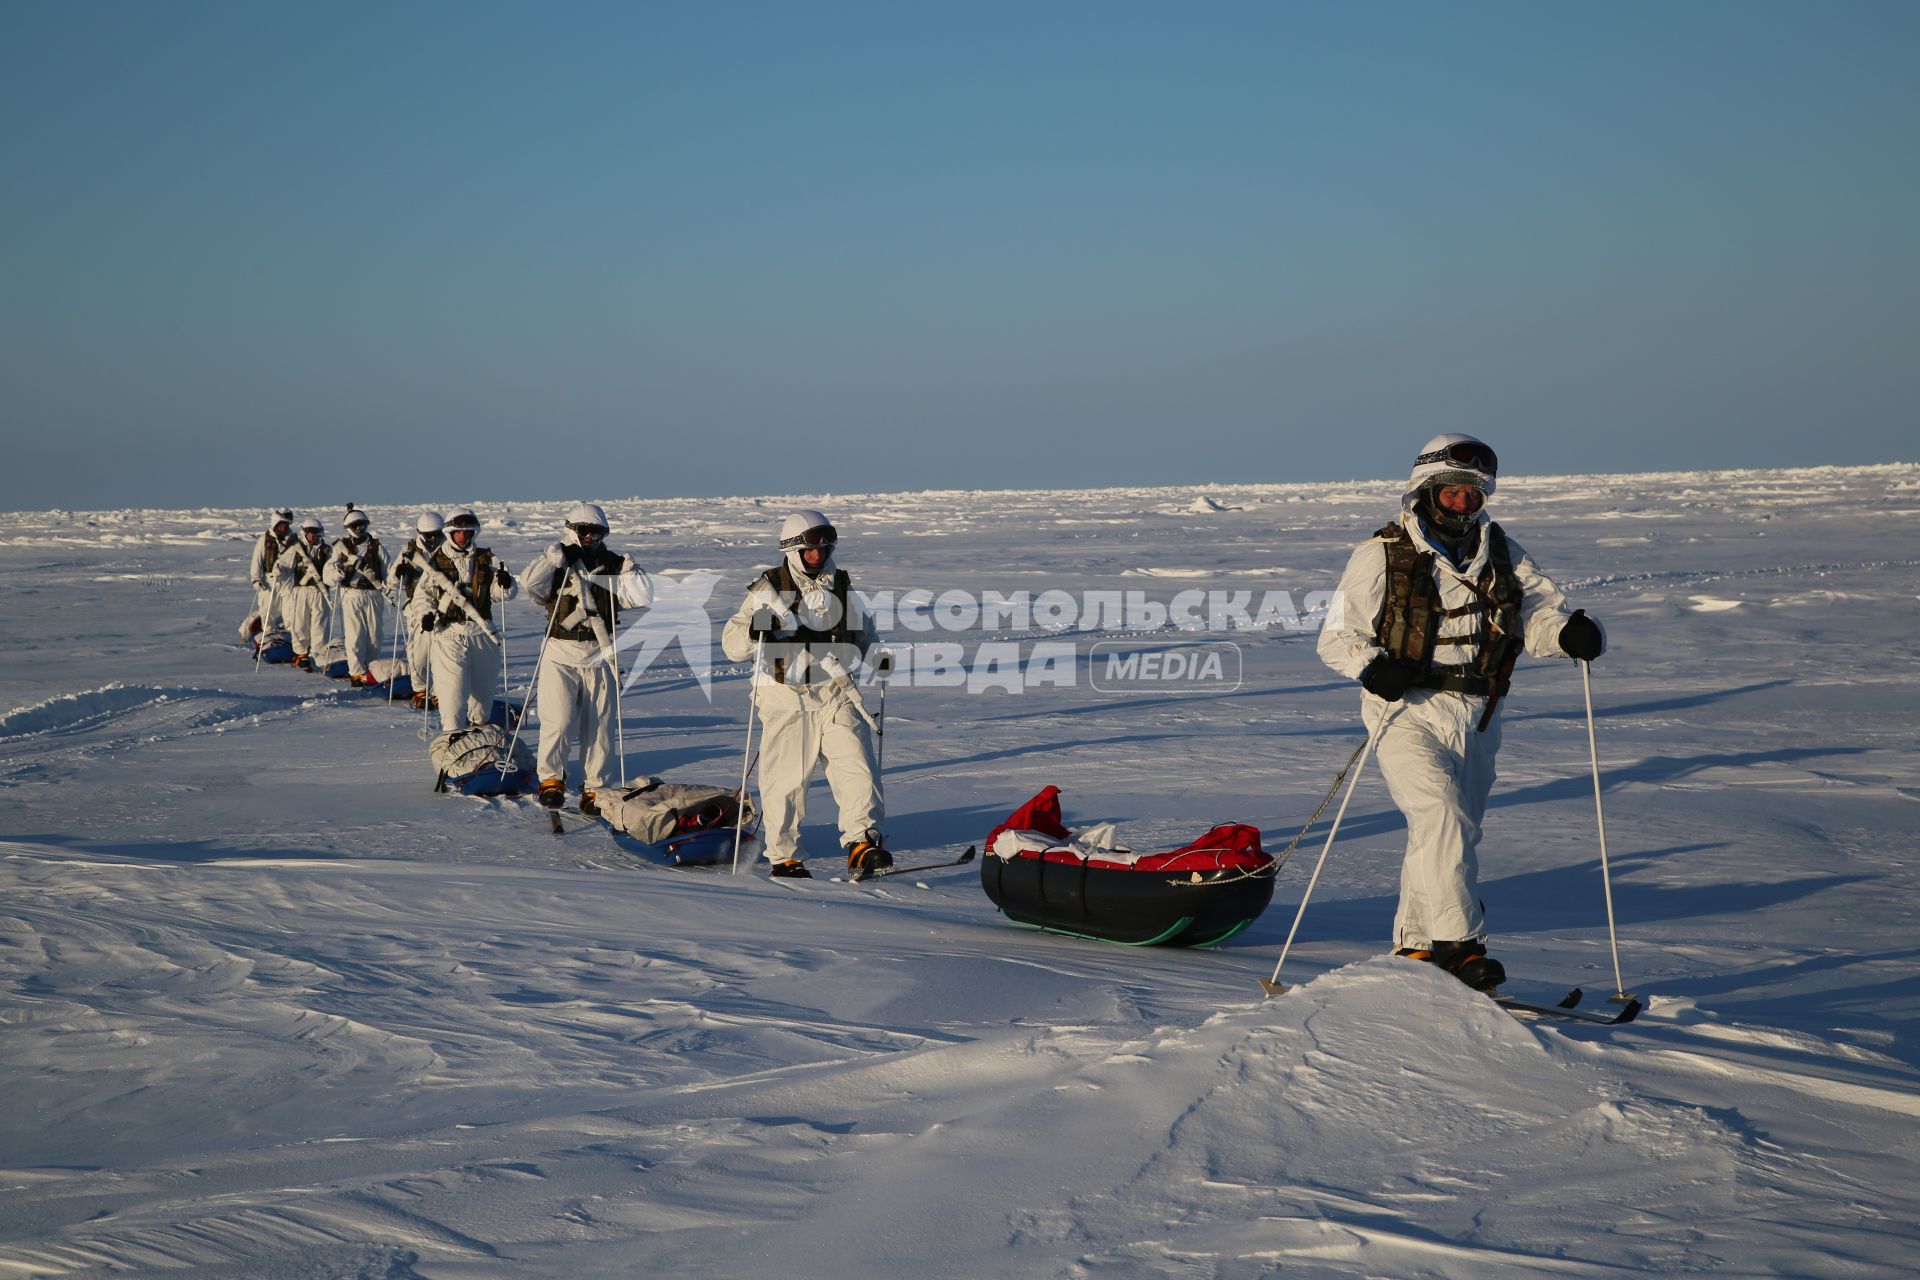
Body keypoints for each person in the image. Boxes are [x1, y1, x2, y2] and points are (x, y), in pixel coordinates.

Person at [1315, 434, 1607, 991]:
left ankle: (1416, 950)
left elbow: (1539, 615)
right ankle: (1461, 949)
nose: (1466, 505)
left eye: (1475, 495)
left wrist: (1570, 634)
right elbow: (1337, 637)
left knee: (1449, 832)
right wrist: (1371, 666)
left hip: (1479, 713)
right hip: (1404, 712)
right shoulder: (1380, 553)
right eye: (1454, 494)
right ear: (1425, 491)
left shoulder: (1501, 549)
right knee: (1441, 817)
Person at [720, 509, 889, 879]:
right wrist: (754, 629)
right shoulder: (767, 589)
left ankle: (862, 843)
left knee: (858, 768)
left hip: (837, 691)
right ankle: (785, 856)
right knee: (786, 781)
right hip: (787, 696)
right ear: (793, 550)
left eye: (824, 548)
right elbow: (731, 645)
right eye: (810, 550)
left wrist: (877, 657)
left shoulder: (842, 584)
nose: (818, 556)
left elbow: (864, 633)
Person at [521, 503, 653, 815]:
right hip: (560, 652)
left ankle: (596, 788)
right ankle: (551, 779)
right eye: (584, 530)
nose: (590, 536)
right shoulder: (556, 561)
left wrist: (631, 571)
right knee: (558, 719)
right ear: (572, 530)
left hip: (600, 652)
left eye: (596, 531)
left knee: (600, 726)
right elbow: (531, 586)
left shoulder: (613, 564)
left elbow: (640, 598)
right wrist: (549, 561)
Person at [409, 507, 517, 731]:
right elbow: (422, 598)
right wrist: (426, 616)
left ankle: (479, 736)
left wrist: (506, 584)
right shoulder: (435, 562)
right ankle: (453, 737)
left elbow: (498, 594)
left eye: (468, 531)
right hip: (450, 634)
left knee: (483, 694)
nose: (463, 536)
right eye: (459, 531)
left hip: (483, 633)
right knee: (452, 694)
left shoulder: (485, 559)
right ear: (449, 533)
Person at [324, 506, 390, 687]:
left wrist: (393, 583)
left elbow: (388, 571)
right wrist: (339, 572)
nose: (360, 528)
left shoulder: (377, 546)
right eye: (356, 525)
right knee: (355, 635)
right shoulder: (340, 548)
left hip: (374, 594)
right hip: (351, 594)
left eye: (362, 524)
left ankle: (372, 669)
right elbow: (327, 575)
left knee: (375, 635)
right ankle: (356, 672)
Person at [390, 512, 445, 709]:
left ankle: (440, 691)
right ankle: (421, 689)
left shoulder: (448, 548)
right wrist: (400, 574)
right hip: (417, 609)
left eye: (436, 534)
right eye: (428, 535)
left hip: (444, 607)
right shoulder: (408, 551)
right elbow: (391, 581)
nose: (432, 539)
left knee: (442, 652)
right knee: (419, 655)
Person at [276, 516, 335, 671]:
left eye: (314, 532)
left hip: (320, 592)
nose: (311, 535)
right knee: (300, 623)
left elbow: (333, 567)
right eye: (308, 532)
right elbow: (284, 563)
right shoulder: (296, 549)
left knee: (319, 625)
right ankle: (301, 654)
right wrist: (279, 570)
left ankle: (318, 655)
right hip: (300, 591)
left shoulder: (328, 550)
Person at [246, 508, 296, 640]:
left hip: (287, 582)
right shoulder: (265, 540)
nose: (284, 527)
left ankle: (291, 638)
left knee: (290, 611)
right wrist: (256, 580)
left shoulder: (294, 541)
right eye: (281, 524)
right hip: (269, 582)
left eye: (286, 524)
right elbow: (256, 561)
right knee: (268, 612)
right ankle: (268, 637)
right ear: (275, 524)